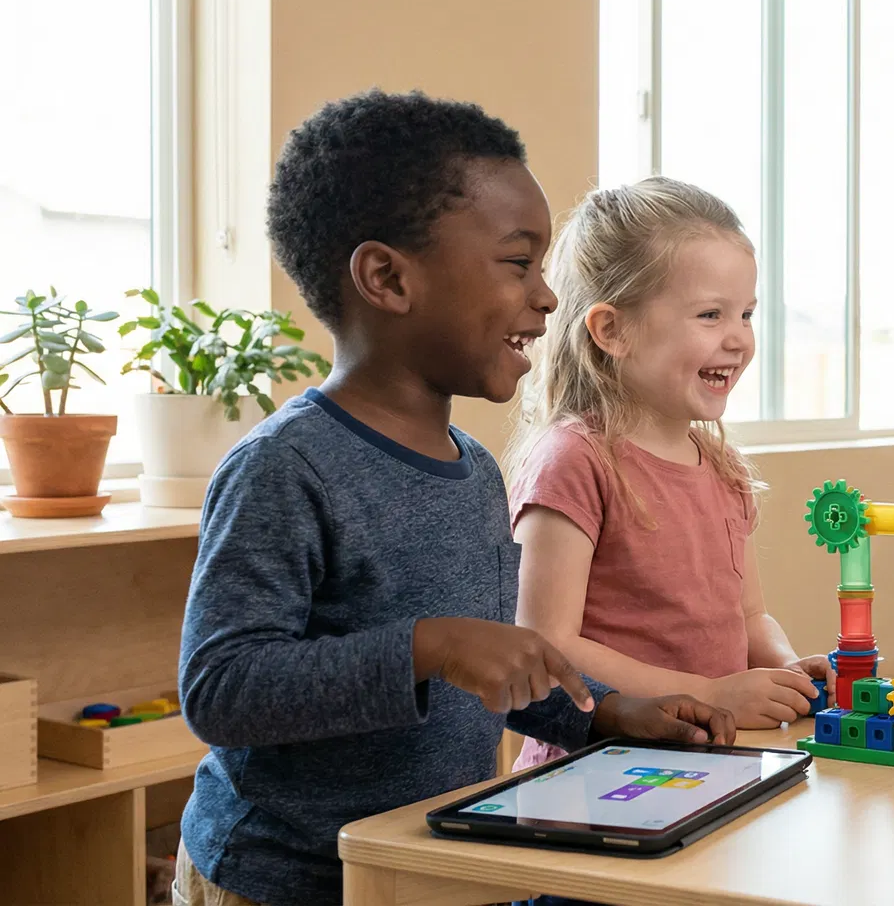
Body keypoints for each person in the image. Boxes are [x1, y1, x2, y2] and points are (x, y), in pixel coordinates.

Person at [175, 91, 732, 906]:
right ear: (387, 278)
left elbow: (501, 666)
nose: (546, 297)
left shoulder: (474, 470)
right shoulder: (285, 468)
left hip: (425, 867)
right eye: (518, 263)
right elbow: (221, 687)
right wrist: (425, 647)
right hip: (282, 882)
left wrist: (608, 714)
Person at [507, 177, 827, 775]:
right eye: (710, 315)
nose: (739, 339)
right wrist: (710, 694)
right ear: (613, 331)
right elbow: (548, 644)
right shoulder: (575, 461)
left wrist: (785, 670)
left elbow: (749, 617)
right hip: (593, 772)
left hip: (711, 760)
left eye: (747, 315)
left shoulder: (723, 466)